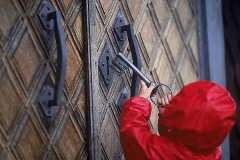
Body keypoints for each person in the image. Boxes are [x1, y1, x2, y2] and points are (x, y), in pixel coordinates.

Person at [119, 80, 236, 160]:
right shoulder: (212, 151)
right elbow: (182, 141)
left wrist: (140, 101)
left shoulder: (173, 156)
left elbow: (133, 136)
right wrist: (169, 119)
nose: (175, 98)